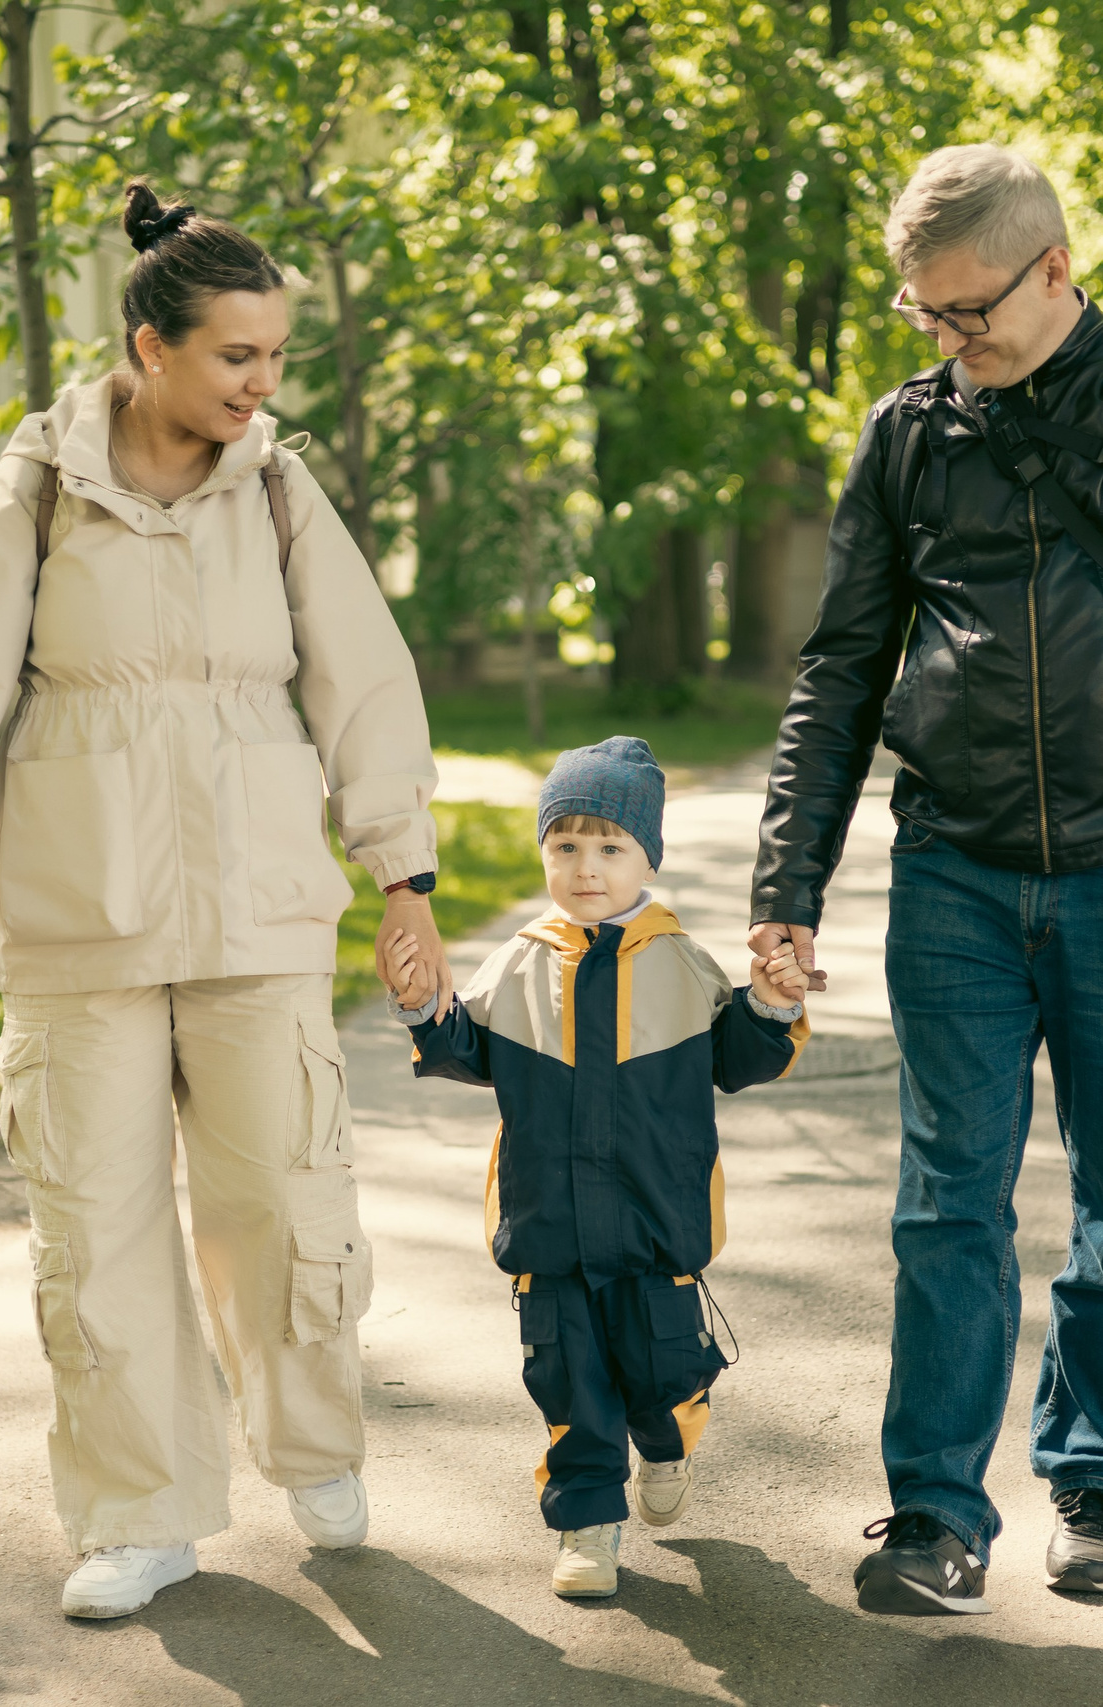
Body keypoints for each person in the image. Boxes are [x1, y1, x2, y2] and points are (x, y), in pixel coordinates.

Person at [0, 182, 451, 1619]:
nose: (261, 383)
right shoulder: (37, 482)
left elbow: (363, 684)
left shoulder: (280, 487)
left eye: (277, 356)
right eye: (237, 355)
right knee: (94, 1225)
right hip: (79, 922)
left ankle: (312, 1451)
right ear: (149, 346)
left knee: (282, 1198)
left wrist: (404, 877)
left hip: (256, 912)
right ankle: (139, 1512)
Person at [749, 143, 1103, 1614]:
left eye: (968, 313)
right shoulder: (908, 436)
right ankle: (934, 1519)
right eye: (925, 319)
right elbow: (841, 664)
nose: (949, 343)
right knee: (946, 1202)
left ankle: (1088, 1480)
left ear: (1053, 270)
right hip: (952, 868)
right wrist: (789, 878)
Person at [383, 736, 810, 1598]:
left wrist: (771, 1002)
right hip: (551, 1226)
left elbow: (740, 1057)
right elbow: (470, 1049)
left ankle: (670, 1433)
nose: (587, 867)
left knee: (659, 1371)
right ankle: (587, 1520)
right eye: (566, 845)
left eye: (610, 846)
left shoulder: (682, 963)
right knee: (568, 1379)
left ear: (647, 855)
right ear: (544, 853)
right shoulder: (522, 959)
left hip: (658, 1225)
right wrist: (425, 1006)